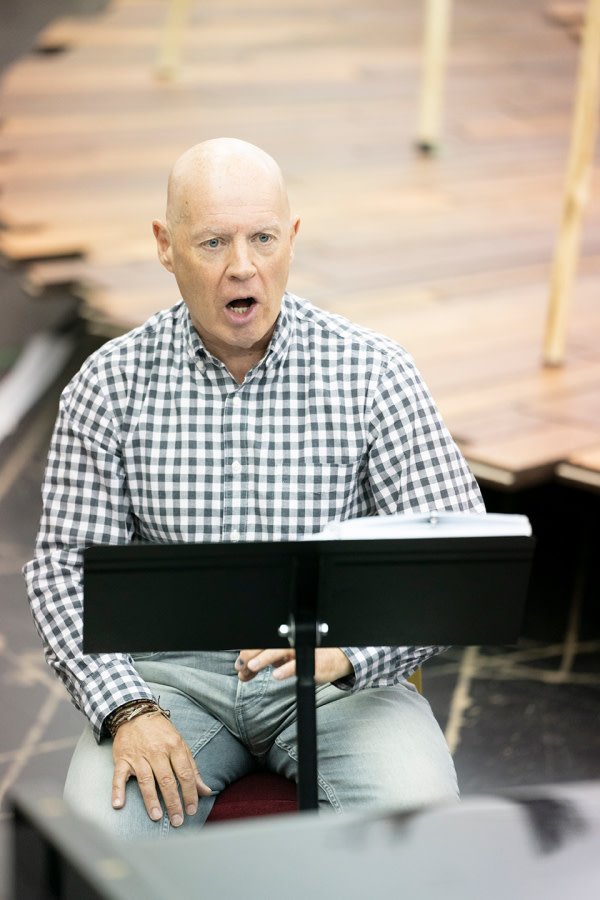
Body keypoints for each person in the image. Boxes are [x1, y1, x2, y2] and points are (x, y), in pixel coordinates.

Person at [24, 138, 485, 838]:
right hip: (172, 683)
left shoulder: (373, 372)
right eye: (212, 242)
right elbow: (63, 572)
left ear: (291, 239)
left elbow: (456, 561)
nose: (243, 266)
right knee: (96, 843)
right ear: (165, 245)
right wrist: (126, 709)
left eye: (263, 238)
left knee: (422, 840)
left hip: (336, 679)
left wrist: (353, 654)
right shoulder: (109, 386)